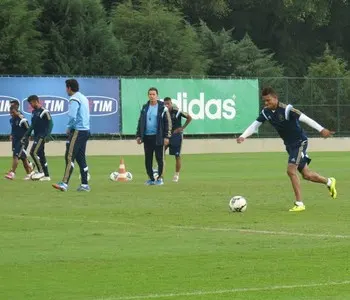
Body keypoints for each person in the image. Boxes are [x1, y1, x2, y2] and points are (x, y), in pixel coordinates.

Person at [236, 86, 337, 212]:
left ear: (275, 98)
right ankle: (329, 182)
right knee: (306, 175)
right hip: (290, 146)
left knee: (291, 170)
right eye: (265, 101)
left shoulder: (287, 109)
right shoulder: (266, 112)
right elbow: (254, 125)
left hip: (300, 142)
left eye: (268, 100)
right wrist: (243, 136)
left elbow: (305, 118)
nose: (266, 103)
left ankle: (299, 203)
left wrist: (321, 129)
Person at [52, 79, 91, 192]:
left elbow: (73, 116)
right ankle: (85, 184)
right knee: (80, 158)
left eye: (66, 87)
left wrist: (69, 127)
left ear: (69, 88)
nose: (66, 90)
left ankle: (64, 183)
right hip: (86, 130)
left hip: (78, 131)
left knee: (69, 156)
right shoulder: (83, 97)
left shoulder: (74, 98)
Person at [136, 87, 172, 185]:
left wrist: (167, 137)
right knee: (148, 159)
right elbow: (140, 122)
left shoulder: (162, 108)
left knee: (159, 158)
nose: (152, 96)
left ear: (157, 96)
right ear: (148, 95)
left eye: (153, 94)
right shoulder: (144, 107)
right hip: (147, 137)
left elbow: (168, 122)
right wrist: (139, 135)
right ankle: (151, 178)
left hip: (158, 137)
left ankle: (160, 178)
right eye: (150, 94)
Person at [21, 95, 53, 181]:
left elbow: (51, 123)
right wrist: (26, 135)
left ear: (36, 101)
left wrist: (48, 135)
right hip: (36, 136)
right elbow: (32, 126)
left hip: (42, 136)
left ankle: (41, 172)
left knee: (33, 152)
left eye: (31, 103)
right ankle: (47, 176)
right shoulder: (34, 112)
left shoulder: (44, 111)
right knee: (41, 155)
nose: (30, 105)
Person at [163, 97, 192, 182]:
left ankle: (176, 174)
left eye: (168, 103)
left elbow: (189, 117)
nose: (167, 105)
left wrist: (182, 128)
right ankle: (160, 171)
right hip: (167, 135)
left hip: (176, 136)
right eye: (165, 104)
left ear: (171, 103)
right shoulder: (163, 112)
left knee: (177, 156)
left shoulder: (177, 111)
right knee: (160, 152)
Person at [5, 107, 34, 180]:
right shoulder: (11, 120)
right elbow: (13, 128)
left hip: (22, 141)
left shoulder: (22, 119)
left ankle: (12, 173)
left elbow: (29, 128)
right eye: (10, 113)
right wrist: (11, 135)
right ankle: (29, 173)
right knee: (23, 158)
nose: (12, 114)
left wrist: (28, 137)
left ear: (17, 111)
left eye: (13, 112)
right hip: (15, 140)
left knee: (15, 155)